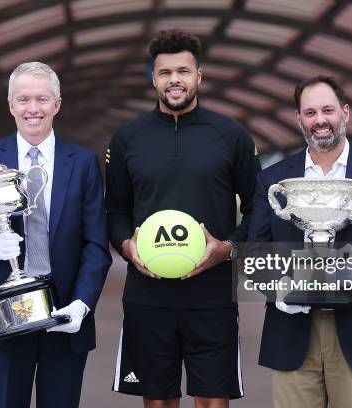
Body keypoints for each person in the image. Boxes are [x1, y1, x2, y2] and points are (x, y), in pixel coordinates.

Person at [106, 29, 259, 408]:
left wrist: (227, 249)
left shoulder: (232, 136)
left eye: (183, 71)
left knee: (212, 400)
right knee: (157, 401)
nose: (175, 79)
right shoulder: (127, 139)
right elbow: (116, 211)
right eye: (165, 72)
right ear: (153, 78)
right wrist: (127, 247)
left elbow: (261, 208)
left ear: (199, 76)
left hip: (213, 295)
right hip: (147, 294)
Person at [248, 75, 352, 408]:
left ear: (345, 113)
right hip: (292, 329)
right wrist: (281, 286)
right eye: (310, 113)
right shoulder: (273, 179)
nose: (320, 120)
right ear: (299, 119)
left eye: (327, 110)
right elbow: (255, 250)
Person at [0, 61, 112, 408]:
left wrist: (82, 305)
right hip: (2, 312)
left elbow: (96, 244)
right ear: (11, 106)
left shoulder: (82, 162)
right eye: (23, 99)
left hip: (64, 313)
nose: (33, 108)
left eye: (42, 99)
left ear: (57, 104)